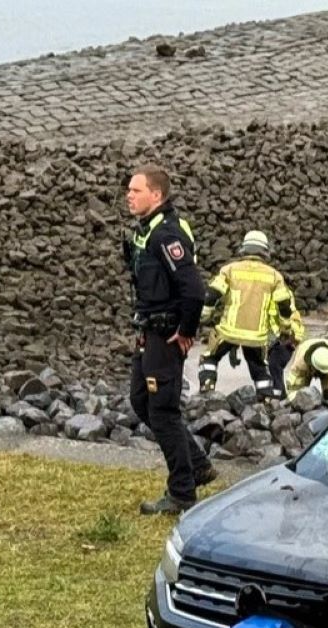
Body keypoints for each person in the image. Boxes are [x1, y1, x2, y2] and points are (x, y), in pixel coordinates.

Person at [122, 164, 218, 515]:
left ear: (156, 195)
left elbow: (194, 290)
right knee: (141, 401)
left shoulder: (167, 235)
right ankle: (197, 465)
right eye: (129, 191)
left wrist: (187, 331)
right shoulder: (147, 231)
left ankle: (181, 492)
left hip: (166, 334)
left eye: (136, 190)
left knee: (162, 410)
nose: (129, 196)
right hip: (148, 330)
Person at [198, 231, 296, 396]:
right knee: (259, 368)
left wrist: (203, 316)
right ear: (265, 251)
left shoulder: (229, 270)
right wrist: (285, 328)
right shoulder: (274, 276)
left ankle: (207, 391)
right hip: (257, 337)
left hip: (228, 332)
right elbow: (284, 305)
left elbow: (212, 294)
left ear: (244, 248)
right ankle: (266, 398)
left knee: (210, 358)